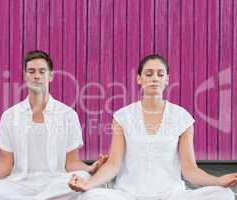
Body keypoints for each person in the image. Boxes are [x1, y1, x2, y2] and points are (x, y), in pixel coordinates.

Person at [68, 54, 236, 200]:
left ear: (167, 80)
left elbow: (190, 170)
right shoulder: (123, 116)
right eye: (149, 74)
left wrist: (218, 181)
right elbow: (113, 164)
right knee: (88, 196)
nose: (155, 78)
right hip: (128, 194)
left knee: (224, 195)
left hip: (172, 195)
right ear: (139, 79)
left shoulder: (182, 117)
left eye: (160, 74)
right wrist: (88, 183)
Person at [0, 50, 107, 200]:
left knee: (83, 177)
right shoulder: (10, 116)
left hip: (55, 182)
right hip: (19, 184)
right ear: (25, 75)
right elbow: (4, 165)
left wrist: (90, 168)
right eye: (32, 71)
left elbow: (71, 162)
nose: (37, 76)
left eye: (42, 71)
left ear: (51, 75)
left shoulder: (68, 115)